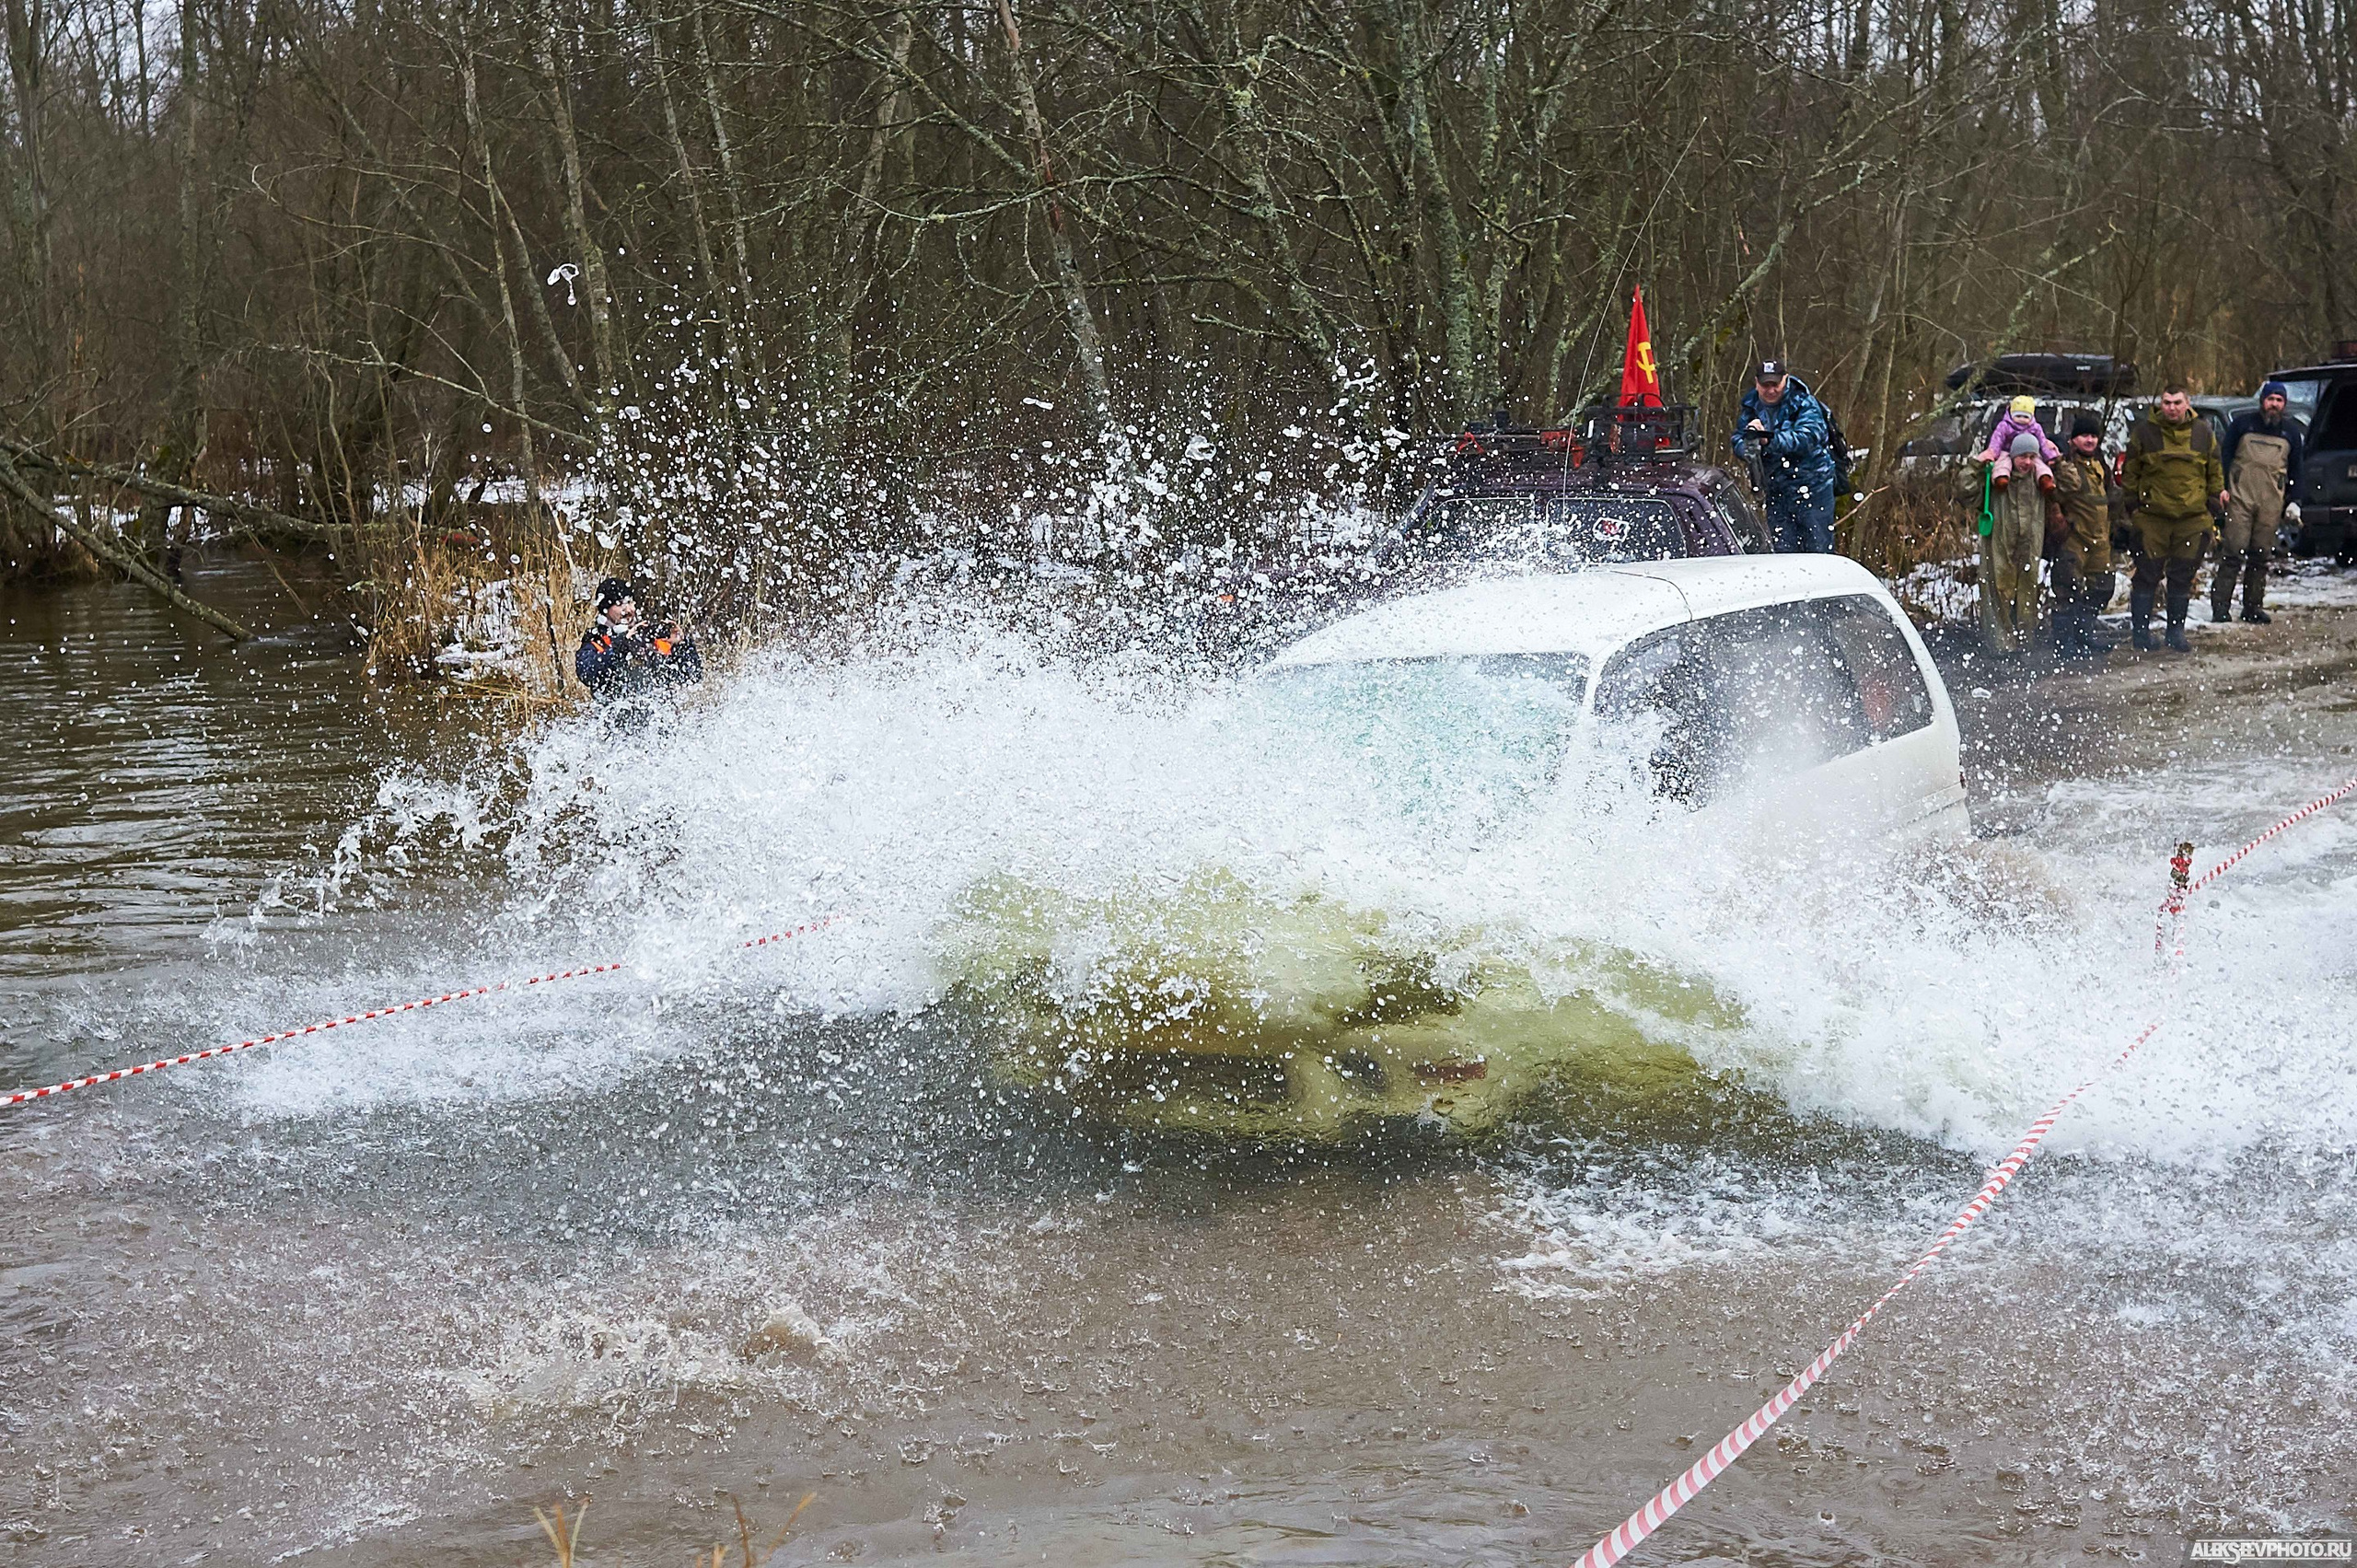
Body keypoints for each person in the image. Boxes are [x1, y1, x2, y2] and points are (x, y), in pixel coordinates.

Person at [2121, 387, 2226, 653]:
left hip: (2192, 519)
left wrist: (2214, 502)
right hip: (2152, 518)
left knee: (2183, 575)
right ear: (2160, 405)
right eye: (2166, 402)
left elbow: (2214, 469)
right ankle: (2141, 634)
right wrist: (2133, 508)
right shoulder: (2144, 432)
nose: (2171, 408)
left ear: (2187, 404)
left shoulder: (2203, 432)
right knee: (2146, 575)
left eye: (2177, 402)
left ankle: (2175, 632)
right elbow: (2130, 472)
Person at [2213, 381, 2305, 623]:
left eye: (2279, 400)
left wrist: (2295, 501)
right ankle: (2220, 607)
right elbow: (2225, 456)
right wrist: (2222, 487)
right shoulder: (2243, 424)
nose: (2274, 404)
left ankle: (2252, 607)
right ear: (2262, 401)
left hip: (2271, 503)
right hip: (2240, 498)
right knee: (2233, 551)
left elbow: (2297, 469)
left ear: (2284, 404)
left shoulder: (2291, 432)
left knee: (2260, 555)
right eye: (2270, 399)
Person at [1731, 359, 1840, 552]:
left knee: (1819, 552)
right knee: (1784, 555)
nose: (1771, 390)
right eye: (1765, 385)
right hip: (1776, 492)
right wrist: (1748, 446)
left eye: (1776, 384)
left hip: (1813, 489)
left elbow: (1807, 437)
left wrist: (1768, 440)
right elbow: (1738, 438)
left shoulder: (1804, 402)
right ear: (1757, 383)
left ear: (1785, 380)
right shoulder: (1750, 405)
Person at [2048, 411, 2120, 656]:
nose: (2089, 441)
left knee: (2102, 588)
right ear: (2073, 439)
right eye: (2084, 436)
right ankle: (2063, 643)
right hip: (2074, 539)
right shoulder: (2065, 466)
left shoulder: (2101, 466)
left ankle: (2084, 634)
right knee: (2067, 591)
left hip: (2100, 540)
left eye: (2093, 436)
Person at [575, 576, 703, 703]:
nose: (629, 610)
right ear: (605, 610)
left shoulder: (649, 637)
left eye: (630, 602)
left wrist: (681, 645)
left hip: (660, 718)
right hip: (616, 720)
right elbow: (587, 674)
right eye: (620, 604)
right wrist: (621, 646)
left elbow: (692, 676)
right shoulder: (597, 642)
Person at [1979, 431, 2045, 656]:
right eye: (2022, 456)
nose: (2027, 462)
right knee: (2000, 592)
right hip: (2001, 546)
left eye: (2032, 457)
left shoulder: (2039, 481)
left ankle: (2025, 644)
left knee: (2027, 592)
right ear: (2012, 456)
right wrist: (1976, 466)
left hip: (2028, 547)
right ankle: (2001, 647)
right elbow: (1965, 491)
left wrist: (2058, 460)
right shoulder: (1996, 480)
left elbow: (2068, 489)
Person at [1979, 394, 2061, 490]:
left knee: (2039, 463)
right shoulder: (2005, 425)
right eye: (2018, 416)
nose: (2021, 419)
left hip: (2031, 451)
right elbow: (1997, 439)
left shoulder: (2035, 427)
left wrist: (2049, 456)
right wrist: (1992, 453)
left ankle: (2045, 480)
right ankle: (2001, 479)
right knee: (2003, 463)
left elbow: (2043, 442)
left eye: (2025, 417)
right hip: (2007, 450)